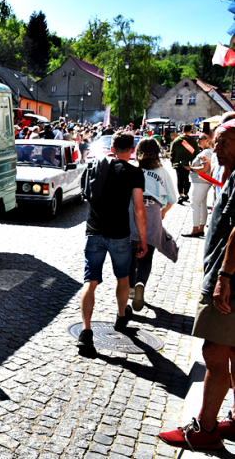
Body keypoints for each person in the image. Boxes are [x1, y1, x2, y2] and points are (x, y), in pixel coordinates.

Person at [159, 120, 235, 451]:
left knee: (214, 353)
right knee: (232, 351)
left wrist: (223, 277)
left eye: (222, 143)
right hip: (228, 277)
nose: (214, 148)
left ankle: (204, 431)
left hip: (227, 282)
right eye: (214, 142)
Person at [77, 131, 147, 357]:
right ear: (132, 150)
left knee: (90, 281)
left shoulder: (98, 166)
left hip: (94, 231)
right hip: (119, 235)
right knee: (123, 277)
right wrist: (143, 239)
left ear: (113, 148)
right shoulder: (135, 173)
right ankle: (120, 317)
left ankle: (86, 333)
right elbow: (138, 208)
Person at [128, 138, 178, 312]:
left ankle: (131, 287)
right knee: (146, 254)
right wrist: (163, 211)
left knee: (131, 252)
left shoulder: (133, 169)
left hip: (133, 210)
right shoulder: (162, 172)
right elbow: (173, 198)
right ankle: (141, 281)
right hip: (153, 211)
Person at [185, 134, 214, 238]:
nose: (198, 140)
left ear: (207, 140)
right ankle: (200, 228)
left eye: (200, 139)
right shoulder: (210, 151)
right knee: (202, 204)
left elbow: (205, 168)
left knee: (194, 203)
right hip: (204, 181)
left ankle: (195, 228)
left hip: (200, 181)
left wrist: (191, 168)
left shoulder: (206, 152)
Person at [170, 124, 200, 205]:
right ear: (191, 131)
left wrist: (172, 162)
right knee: (187, 179)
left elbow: (172, 153)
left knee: (179, 179)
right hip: (189, 163)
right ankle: (186, 195)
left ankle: (180, 195)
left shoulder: (176, 140)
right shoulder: (193, 140)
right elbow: (197, 152)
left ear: (183, 130)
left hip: (178, 163)